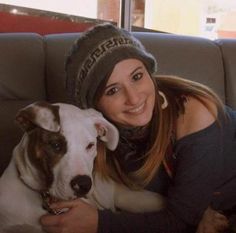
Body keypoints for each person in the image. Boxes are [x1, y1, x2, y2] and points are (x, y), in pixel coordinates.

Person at [40, 23, 236, 233]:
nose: (134, 98)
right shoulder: (95, 139)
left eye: (137, 77)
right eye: (113, 90)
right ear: (94, 107)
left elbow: (180, 220)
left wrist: (99, 223)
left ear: (149, 72)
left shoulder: (192, 112)